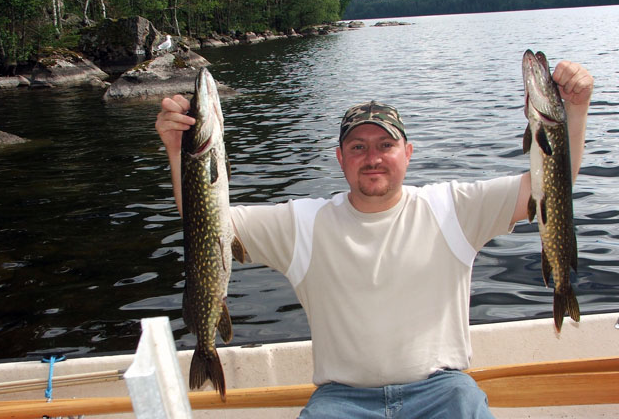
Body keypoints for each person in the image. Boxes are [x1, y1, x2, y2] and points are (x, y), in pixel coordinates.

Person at [155, 60, 593, 418]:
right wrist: (178, 151)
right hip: (340, 400)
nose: (373, 157)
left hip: (444, 392)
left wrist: (575, 111)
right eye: (358, 147)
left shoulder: (454, 208)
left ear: (408, 153)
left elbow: (552, 185)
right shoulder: (301, 223)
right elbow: (205, 221)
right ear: (340, 158)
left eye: (386, 144)